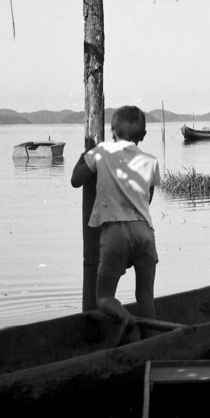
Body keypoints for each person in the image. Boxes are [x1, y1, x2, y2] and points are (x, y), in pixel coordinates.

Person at [70, 105, 161, 346]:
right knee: (145, 295)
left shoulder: (100, 152)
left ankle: (126, 320)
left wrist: (84, 157)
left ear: (112, 131)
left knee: (104, 297)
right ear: (142, 135)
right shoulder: (151, 161)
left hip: (114, 233)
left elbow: (75, 181)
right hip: (144, 232)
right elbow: (147, 199)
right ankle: (150, 344)